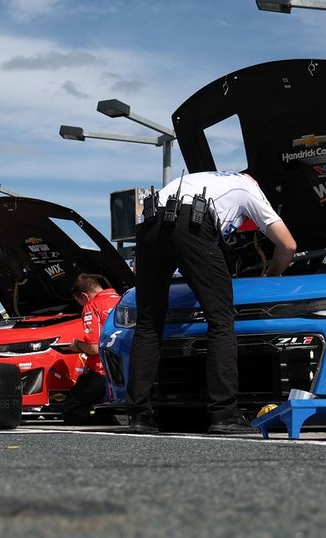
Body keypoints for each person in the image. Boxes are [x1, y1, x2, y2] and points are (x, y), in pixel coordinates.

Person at [126, 170, 297, 434]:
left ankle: (139, 417)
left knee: (148, 323)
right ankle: (224, 416)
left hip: (148, 223)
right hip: (190, 222)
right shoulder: (248, 187)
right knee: (220, 320)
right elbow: (287, 245)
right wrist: (272, 274)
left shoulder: (205, 178)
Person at [59, 273, 121, 425]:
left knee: (71, 411)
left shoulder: (91, 306)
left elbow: (93, 348)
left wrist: (78, 345)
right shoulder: (123, 300)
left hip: (102, 371)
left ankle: (106, 422)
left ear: (83, 296)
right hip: (126, 369)